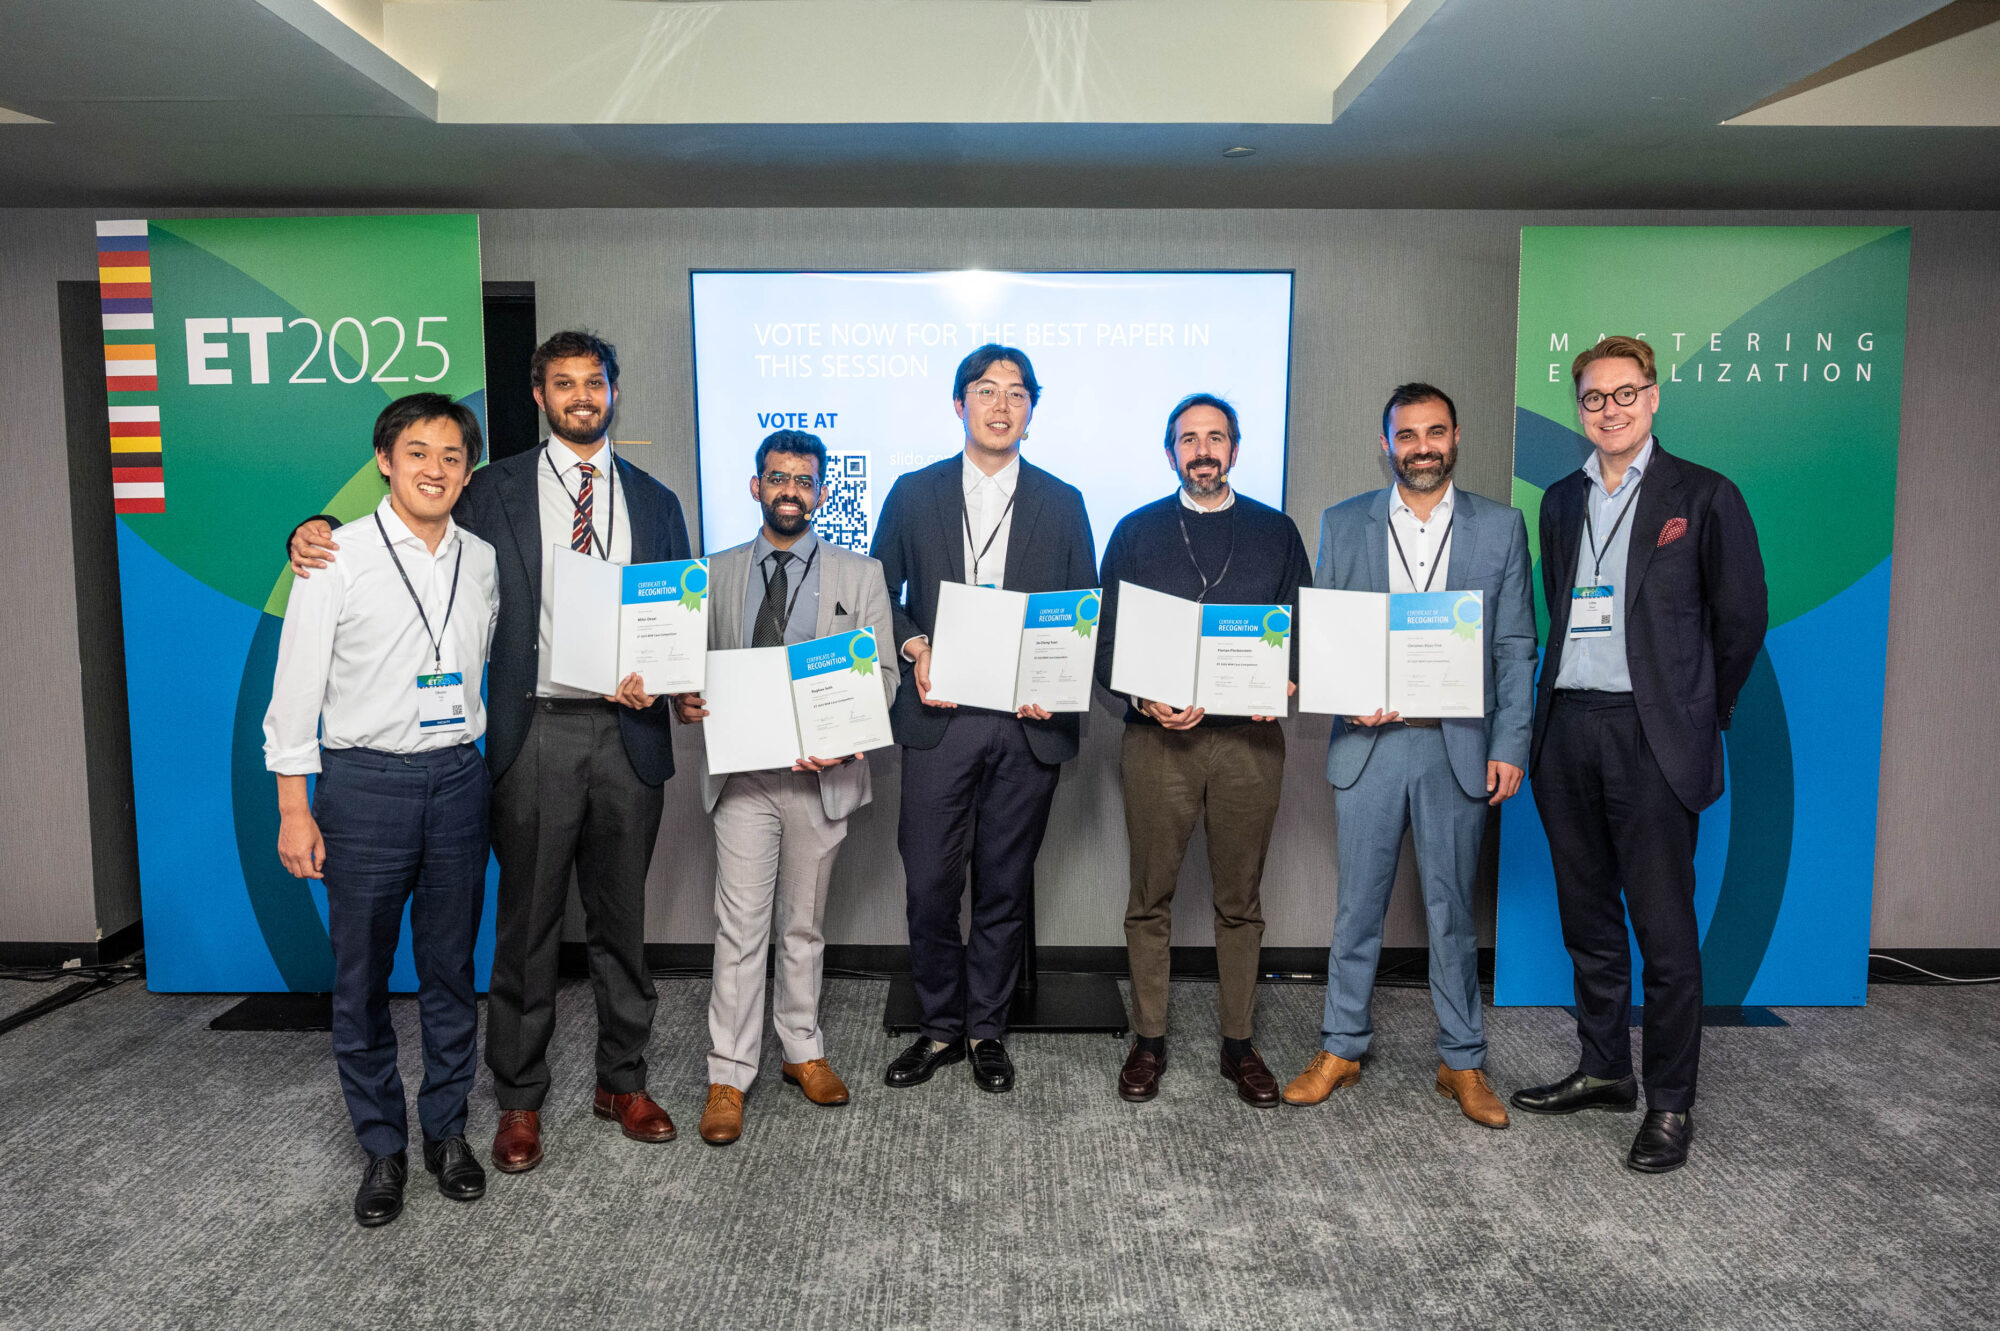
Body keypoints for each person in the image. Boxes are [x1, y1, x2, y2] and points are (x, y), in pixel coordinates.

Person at [289, 330, 694, 1172]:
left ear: (613, 392)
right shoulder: (485, 488)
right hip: (532, 730)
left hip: (630, 734)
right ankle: (519, 1097)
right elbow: (403, 532)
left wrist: (671, 681)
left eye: (594, 381)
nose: (581, 395)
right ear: (539, 396)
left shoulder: (657, 501)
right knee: (527, 925)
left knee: (623, 924)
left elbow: (674, 615)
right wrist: (311, 532)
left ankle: (623, 1080)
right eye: (563, 382)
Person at [1510, 336, 1767, 1173]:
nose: (1610, 409)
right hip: (1567, 729)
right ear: (1579, 407)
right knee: (1587, 918)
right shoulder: (1560, 500)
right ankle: (1604, 1069)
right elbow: (1561, 607)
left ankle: (1670, 1102)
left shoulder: (1705, 494)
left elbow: (1741, 620)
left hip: (1652, 736)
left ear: (1653, 398)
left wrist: (1696, 712)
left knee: (1664, 929)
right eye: (1594, 397)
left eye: (1626, 393)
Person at [265, 393, 499, 1227]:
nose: (435, 468)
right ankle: (382, 1145)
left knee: (450, 969)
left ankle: (446, 1130)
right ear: (385, 461)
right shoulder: (336, 555)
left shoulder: (482, 558)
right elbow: (295, 688)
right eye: (418, 452)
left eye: (451, 456)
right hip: (364, 785)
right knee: (361, 976)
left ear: (467, 472)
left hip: (459, 780)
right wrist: (294, 807)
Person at [1281, 383, 1536, 1129]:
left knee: (1451, 912)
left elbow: (1516, 644)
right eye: (1407, 435)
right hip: (1370, 745)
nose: (1422, 447)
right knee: (1357, 907)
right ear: (1386, 444)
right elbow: (1323, 633)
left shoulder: (1500, 526)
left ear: (1456, 438)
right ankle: (1341, 1047)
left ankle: (1462, 1060)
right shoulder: (1344, 522)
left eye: (1435, 432)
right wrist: (1341, 696)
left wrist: (1510, 743)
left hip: (1457, 747)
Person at [870, 344, 1097, 1094]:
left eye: (1017, 393)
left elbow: (1083, 610)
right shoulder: (914, 492)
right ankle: (940, 1025)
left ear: (1032, 409)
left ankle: (985, 1030)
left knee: (1003, 884)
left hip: (1027, 722)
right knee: (930, 884)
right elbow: (878, 594)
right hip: (943, 717)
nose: (1002, 405)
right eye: (987, 390)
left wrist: (1056, 680)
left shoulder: (1064, 501)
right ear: (959, 404)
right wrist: (914, 644)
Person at [671, 429, 898, 1145]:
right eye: (777, 478)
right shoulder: (714, 573)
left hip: (820, 779)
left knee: (802, 925)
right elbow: (689, 667)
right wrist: (684, 696)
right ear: (756, 486)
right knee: (740, 928)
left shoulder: (861, 574)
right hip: (742, 778)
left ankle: (802, 1050)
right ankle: (729, 1073)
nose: (790, 490)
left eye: (803, 480)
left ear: (822, 493)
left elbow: (884, 677)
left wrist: (848, 733)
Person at [1094, 394, 1310, 1107]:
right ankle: (1149, 1039)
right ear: (1171, 453)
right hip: (1159, 742)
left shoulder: (1276, 531)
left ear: (1235, 449)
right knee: (1148, 898)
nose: (1203, 451)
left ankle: (1238, 1044)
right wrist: (1141, 698)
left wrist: (1286, 677)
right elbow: (1103, 639)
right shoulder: (1136, 531)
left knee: (1240, 901)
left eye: (1216, 437)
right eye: (1189, 439)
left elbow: (1303, 628)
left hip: (1249, 742)